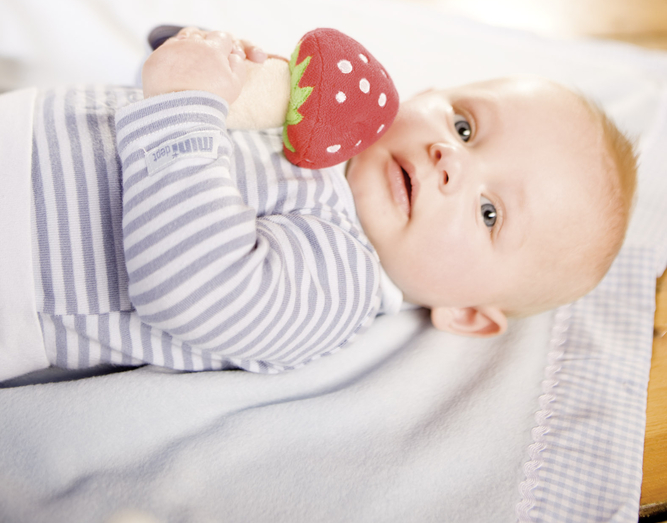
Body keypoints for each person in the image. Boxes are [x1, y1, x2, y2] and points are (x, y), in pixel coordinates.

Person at [0, 28, 637, 382]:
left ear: (467, 313)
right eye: (465, 127)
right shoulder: (324, 129)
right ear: (430, 93)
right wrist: (220, 68)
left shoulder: (342, 280)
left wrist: (182, 106)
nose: (451, 160)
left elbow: (196, 286)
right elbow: (181, 86)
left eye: (490, 212)